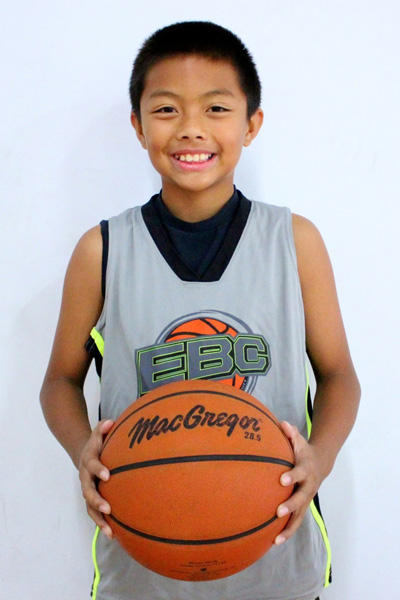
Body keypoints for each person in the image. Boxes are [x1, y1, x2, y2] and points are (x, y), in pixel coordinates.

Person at [40, 21, 360, 600]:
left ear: (251, 124)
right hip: (143, 568)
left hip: (276, 563)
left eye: (216, 108)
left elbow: (339, 376)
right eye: (166, 109)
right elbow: (60, 381)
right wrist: (81, 447)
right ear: (138, 126)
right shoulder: (102, 251)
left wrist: (322, 458)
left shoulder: (295, 242)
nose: (191, 128)